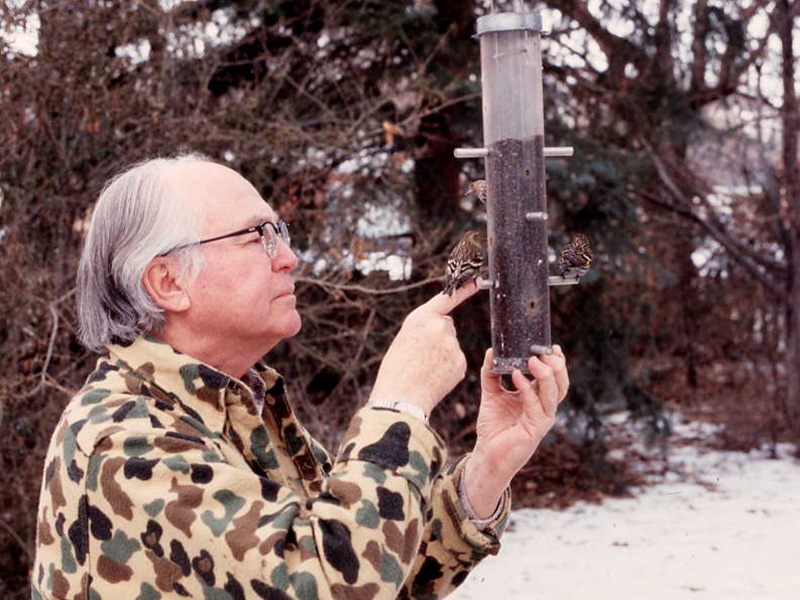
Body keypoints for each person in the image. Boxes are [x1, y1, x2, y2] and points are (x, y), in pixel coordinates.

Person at [32, 154, 569, 600]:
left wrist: (486, 471)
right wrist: (399, 406)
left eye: (280, 232)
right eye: (256, 237)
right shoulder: (124, 438)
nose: (288, 256)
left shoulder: (237, 405)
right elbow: (327, 582)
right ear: (169, 282)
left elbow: (383, 569)